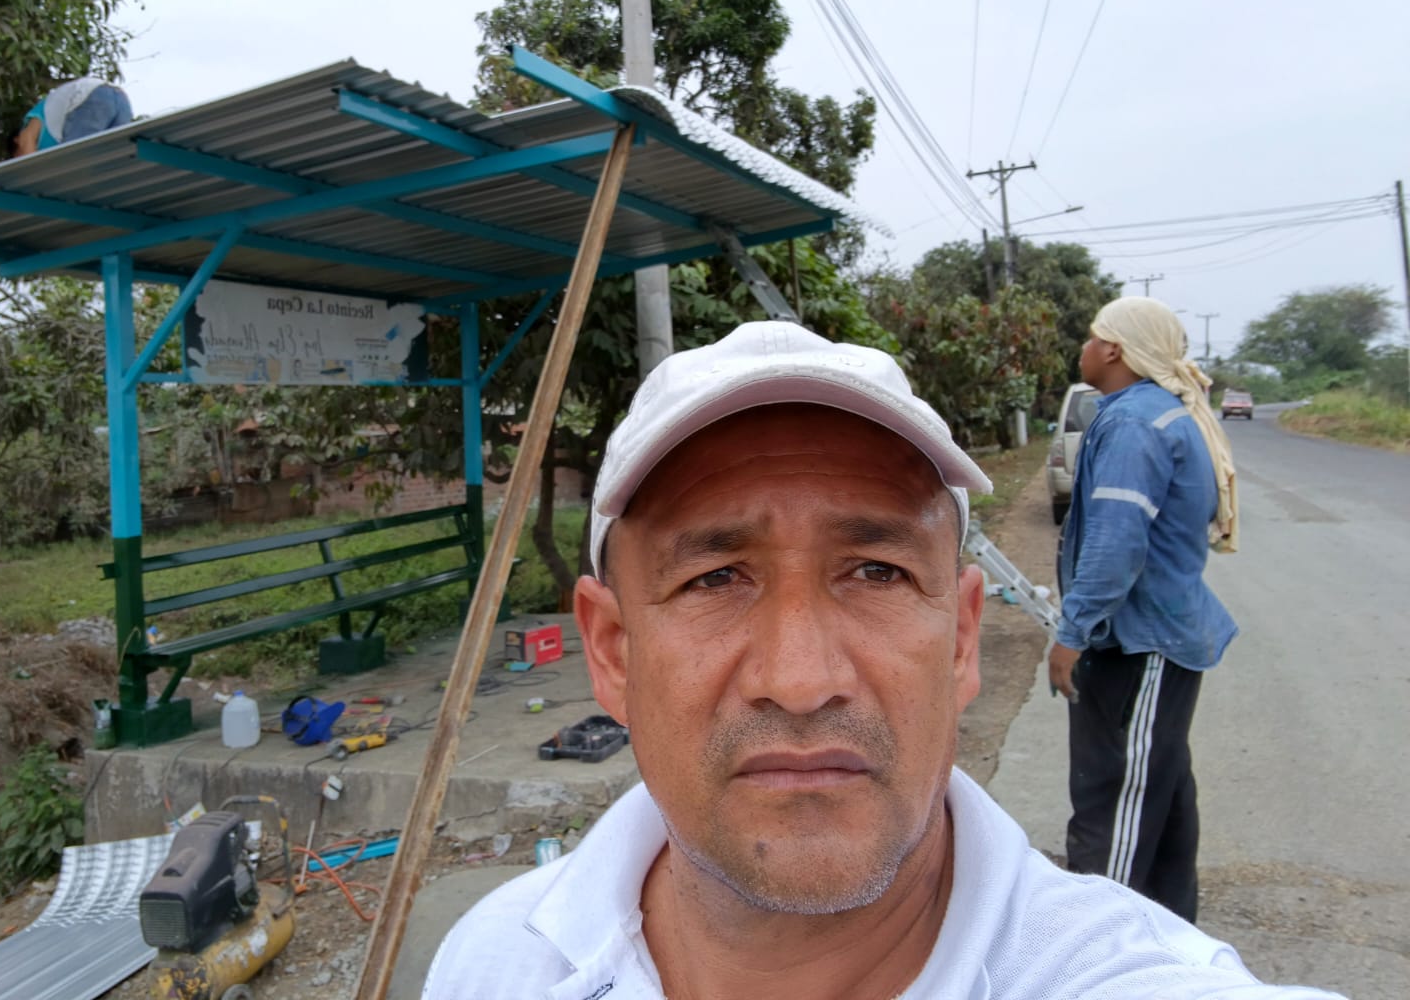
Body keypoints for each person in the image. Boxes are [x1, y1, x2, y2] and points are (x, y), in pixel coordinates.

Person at [425, 321, 1337, 1000]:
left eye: (876, 571)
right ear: (613, 653)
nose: (800, 680)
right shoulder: (495, 961)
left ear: (962, 641)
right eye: (714, 578)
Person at [1048, 296, 1240, 923]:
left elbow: (1115, 545)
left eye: (1091, 336)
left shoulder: (1134, 424)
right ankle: (1171, 936)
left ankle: (1100, 941)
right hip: (1156, 639)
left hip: (1139, 645)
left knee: (1115, 800)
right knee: (1162, 789)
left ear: (1113, 350)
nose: (1084, 347)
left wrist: (1072, 634)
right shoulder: (1154, 413)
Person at [11, 75, 132, 157]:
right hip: (121, 99)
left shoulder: (34, 120)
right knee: (114, 157)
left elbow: (26, 138)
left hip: (93, 96)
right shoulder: (52, 139)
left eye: (18, 156)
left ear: (16, 140)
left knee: (76, 158)